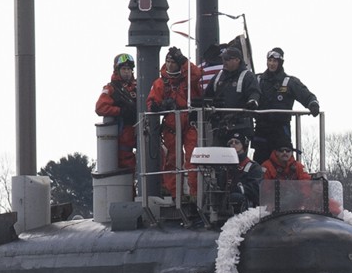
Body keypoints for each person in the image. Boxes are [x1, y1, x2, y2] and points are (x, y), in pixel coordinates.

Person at [147, 45, 201, 192]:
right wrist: (162, 106)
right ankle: (174, 194)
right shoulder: (160, 83)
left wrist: (183, 59)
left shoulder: (187, 78)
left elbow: (197, 74)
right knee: (172, 161)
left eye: (173, 62)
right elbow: (151, 103)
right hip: (171, 127)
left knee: (193, 159)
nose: (170, 65)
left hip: (190, 124)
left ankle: (195, 193)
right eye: (168, 61)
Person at [253, 46, 320, 162]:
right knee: (260, 162)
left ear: (280, 63)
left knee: (283, 160)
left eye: (275, 61)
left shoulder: (289, 81)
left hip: (280, 128)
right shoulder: (257, 79)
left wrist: (313, 104)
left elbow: (306, 95)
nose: (272, 64)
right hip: (261, 128)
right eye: (270, 60)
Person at [201, 42, 258, 148]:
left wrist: (252, 101)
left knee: (237, 157)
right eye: (223, 59)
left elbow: (254, 92)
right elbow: (207, 95)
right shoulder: (219, 77)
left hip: (240, 125)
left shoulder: (247, 76)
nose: (224, 62)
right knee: (218, 155)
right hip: (220, 125)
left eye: (227, 59)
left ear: (237, 60)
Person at [95, 53, 138, 170]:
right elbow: (100, 107)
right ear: (117, 70)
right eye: (124, 69)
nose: (127, 72)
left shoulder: (139, 85)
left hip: (141, 130)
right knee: (126, 168)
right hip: (124, 134)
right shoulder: (111, 88)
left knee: (158, 155)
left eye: (129, 69)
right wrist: (120, 111)